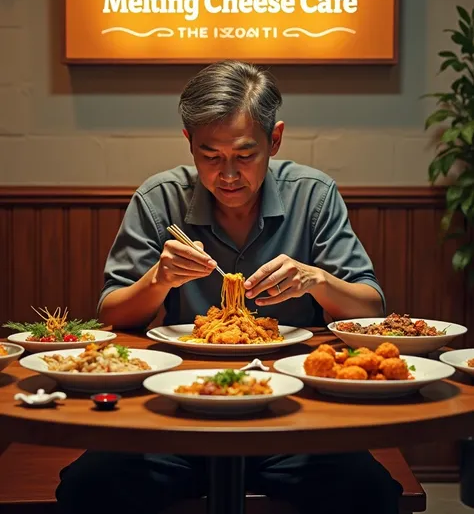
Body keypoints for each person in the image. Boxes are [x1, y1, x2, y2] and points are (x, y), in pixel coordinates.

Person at [56, 60, 402, 514]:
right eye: (210, 156)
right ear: (189, 143)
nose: (228, 174)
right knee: (88, 486)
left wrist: (316, 280)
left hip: (295, 414)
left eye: (245, 154)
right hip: (181, 408)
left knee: (368, 491)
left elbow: (371, 309)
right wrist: (158, 280)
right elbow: (113, 315)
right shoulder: (160, 199)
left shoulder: (312, 195)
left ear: (274, 139)